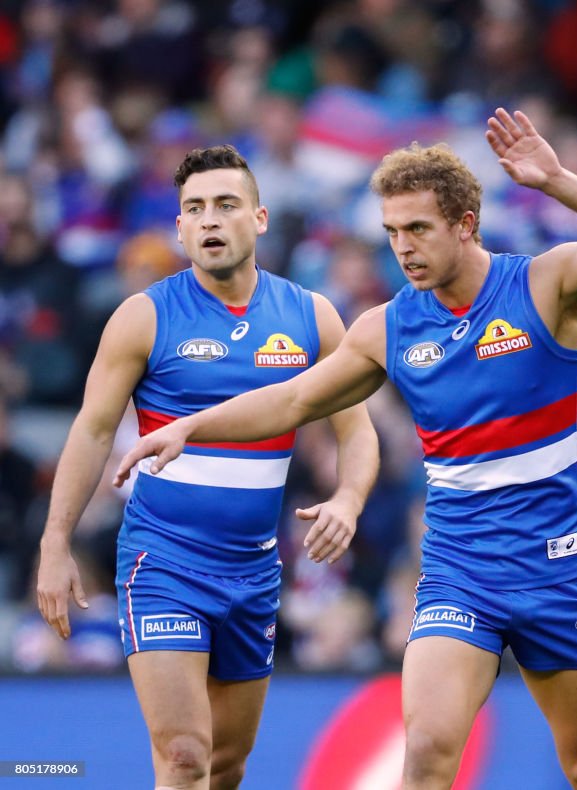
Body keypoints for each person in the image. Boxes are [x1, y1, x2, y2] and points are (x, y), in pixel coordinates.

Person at [116, 110, 577, 789]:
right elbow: (293, 400)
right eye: (391, 233)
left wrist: (555, 181)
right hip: (458, 571)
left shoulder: (544, 286)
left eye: (417, 229)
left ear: (465, 224)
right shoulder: (389, 327)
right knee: (429, 751)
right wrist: (189, 426)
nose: (401, 248)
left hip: (556, 568)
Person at [36, 145, 379, 790]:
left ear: (260, 218)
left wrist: (349, 499)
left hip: (253, 570)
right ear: (179, 227)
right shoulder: (144, 316)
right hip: (163, 564)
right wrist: (55, 543)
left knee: (226, 764)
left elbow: (356, 431)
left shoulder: (311, 317)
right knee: (185, 755)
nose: (209, 220)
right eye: (194, 209)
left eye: (225, 205)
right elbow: (91, 431)